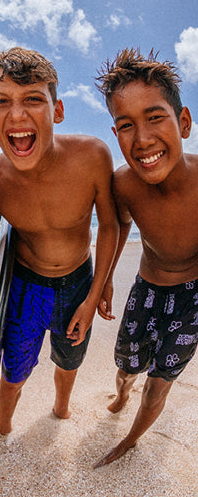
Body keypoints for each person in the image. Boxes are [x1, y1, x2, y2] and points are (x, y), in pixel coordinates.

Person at [0, 46, 119, 435]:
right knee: (14, 370)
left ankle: (60, 408)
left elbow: (110, 225)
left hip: (78, 280)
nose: (18, 114)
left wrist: (95, 294)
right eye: (1, 102)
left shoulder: (91, 156)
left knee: (69, 360)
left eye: (33, 100)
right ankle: (4, 428)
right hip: (27, 285)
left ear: (57, 111)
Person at [94, 48, 198, 467]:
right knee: (127, 363)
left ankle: (131, 440)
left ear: (183, 123)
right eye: (125, 125)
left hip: (193, 296)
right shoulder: (123, 183)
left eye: (155, 117)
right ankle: (122, 392)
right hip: (148, 288)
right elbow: (117, 227)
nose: (142, 139)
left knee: (161, 379)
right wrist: (103, 281)